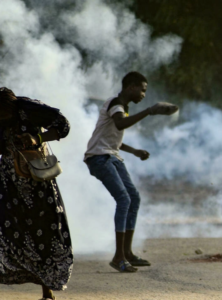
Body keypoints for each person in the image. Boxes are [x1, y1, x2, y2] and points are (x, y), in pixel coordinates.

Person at [84, 72, 178, 273]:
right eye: (142, 89)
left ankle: (127, 253)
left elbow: (112, 137)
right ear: (131, 87)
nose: (144, 94)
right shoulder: (116, 104)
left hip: (111, 156)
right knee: (124, 199)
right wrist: (149, 111)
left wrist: (134, 151)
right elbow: (120, 124)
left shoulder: (122, 107)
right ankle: (118, 257)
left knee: (133, 198)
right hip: (99, 158)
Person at [0, 87, 72, 300]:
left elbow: (63, 126)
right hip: (9, 182)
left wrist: (37, 137)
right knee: (9, 231)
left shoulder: (29, 108)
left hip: (37, 181)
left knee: (45, 231)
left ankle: (47, 291)